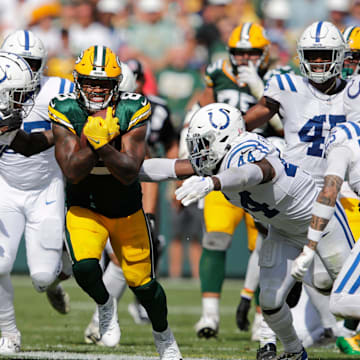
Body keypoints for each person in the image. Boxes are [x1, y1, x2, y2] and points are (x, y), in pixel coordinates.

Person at [139, 102, 352, 360]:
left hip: (321, 222)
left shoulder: (246, 150)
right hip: (283, 230)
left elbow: (251, 173)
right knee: (271, 304)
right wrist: (117, 171)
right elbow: (170, 168)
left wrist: (213, 182)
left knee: (347, 297)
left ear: (226, 138)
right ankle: (295, 352)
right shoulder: (217, 157)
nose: (199, 151)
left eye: (204, 143)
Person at [49, 45, 182, 359]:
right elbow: (71, 170)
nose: (96, 89)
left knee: (144, 285)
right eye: (90, 82)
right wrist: (98, 146)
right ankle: (105, 304)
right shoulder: (64, 108)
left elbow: (129, 171)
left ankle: (164, 336)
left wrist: (104, 147)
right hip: (84, 205)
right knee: (83, 268)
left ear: (117, 84)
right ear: (77, 81)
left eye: (104, 83)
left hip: (125, 207)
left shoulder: (132, 107)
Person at [243, 20, 352, 358]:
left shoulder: (355, 91)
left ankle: (339, 330)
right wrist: (224, 129)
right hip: (293, 196)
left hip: (337, 199)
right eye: (313, 56)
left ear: (340, 57)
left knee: (344, 282)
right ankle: (269, 341)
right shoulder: (286, 85)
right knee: (273, 290)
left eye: (325, 56)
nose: (318, 63)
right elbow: (249, 118)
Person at [191, 22, 288, 339]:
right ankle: (209, 316)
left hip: (262, 171)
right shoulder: (217, 73)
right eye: (239, 52)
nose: (245, 58)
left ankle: (264, 319)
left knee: (266, 249)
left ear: (264, 53)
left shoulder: (278, 76)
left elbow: (285, 127)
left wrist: (261, 87)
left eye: (252, 52)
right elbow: (202, 111)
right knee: (215, 238)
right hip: (221, 168)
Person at [83, 58, 180, 343]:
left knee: (123, 259)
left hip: (121, 194)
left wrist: (148, 212)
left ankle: (100, 320)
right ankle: (100, 317)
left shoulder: (136, 112)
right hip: (85, 195)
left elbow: (143, 164)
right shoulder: (82, 107)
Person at [0, 30, 75, 355]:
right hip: (6, 187)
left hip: (45, 187)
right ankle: (9, 332)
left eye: (32, 63)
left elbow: (82, 119)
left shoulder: (56, 89)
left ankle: (57, 276)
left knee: (42, 277)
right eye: (19, 62)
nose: (26, 71)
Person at [292, 76, 360, 355]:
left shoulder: (343, 142)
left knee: (341, 301)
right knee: (327, 283)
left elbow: (328, 193)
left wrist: (309, 246)